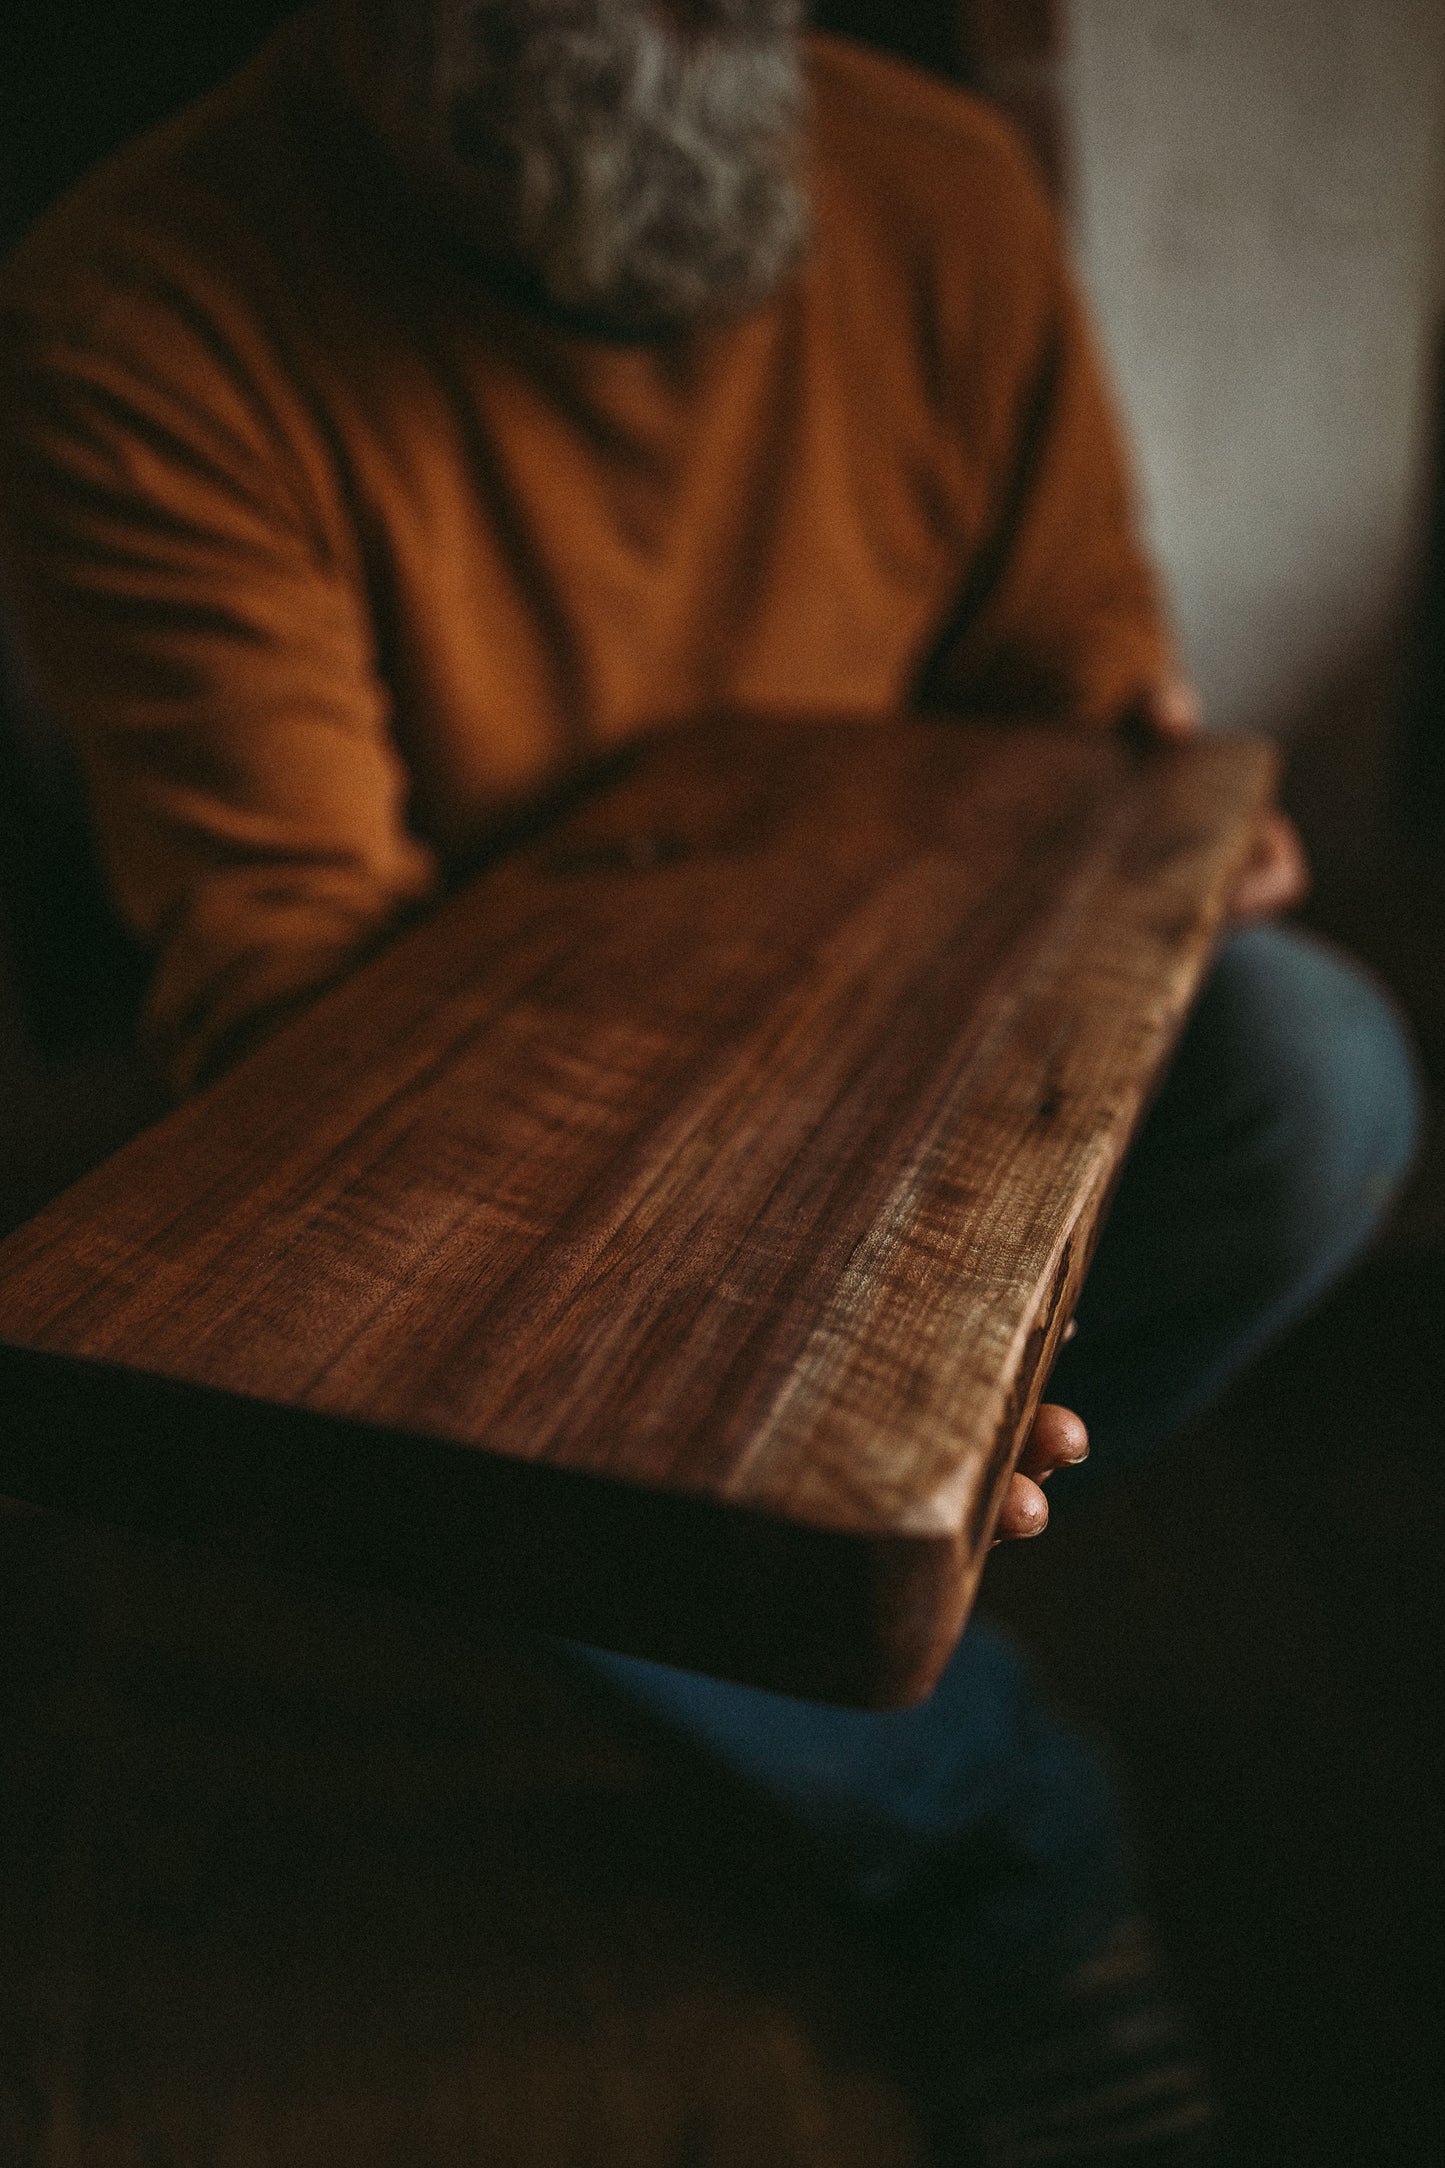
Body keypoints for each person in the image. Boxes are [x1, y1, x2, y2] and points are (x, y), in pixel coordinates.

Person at [0, 1, 1421, 2158]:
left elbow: (1070, 658)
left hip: (934, 984)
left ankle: (855, 1578)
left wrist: (1161, 824)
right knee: (536, 1448)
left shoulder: (932, 178)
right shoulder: (141, 306)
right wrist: (727, 1285)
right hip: (495, 1114)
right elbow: (289, 964)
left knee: (1320, 1071)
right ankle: (1000, 1830)